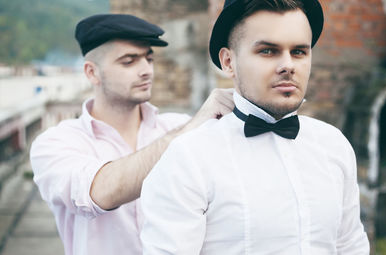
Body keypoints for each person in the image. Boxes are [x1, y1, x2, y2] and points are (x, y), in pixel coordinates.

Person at [140, 0, 370, 254]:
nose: (288, 65)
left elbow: (350, 245)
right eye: (268, 51)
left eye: (299, 52)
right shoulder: (189, 158)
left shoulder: (333, 145)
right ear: (228, 62)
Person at [29, 14, 234, 255]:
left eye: (149, 59)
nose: (146, 70)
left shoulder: (177, 126)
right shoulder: (55, 143)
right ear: (92, 73)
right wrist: (188, 132)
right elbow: (100, 192)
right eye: (129, 61)